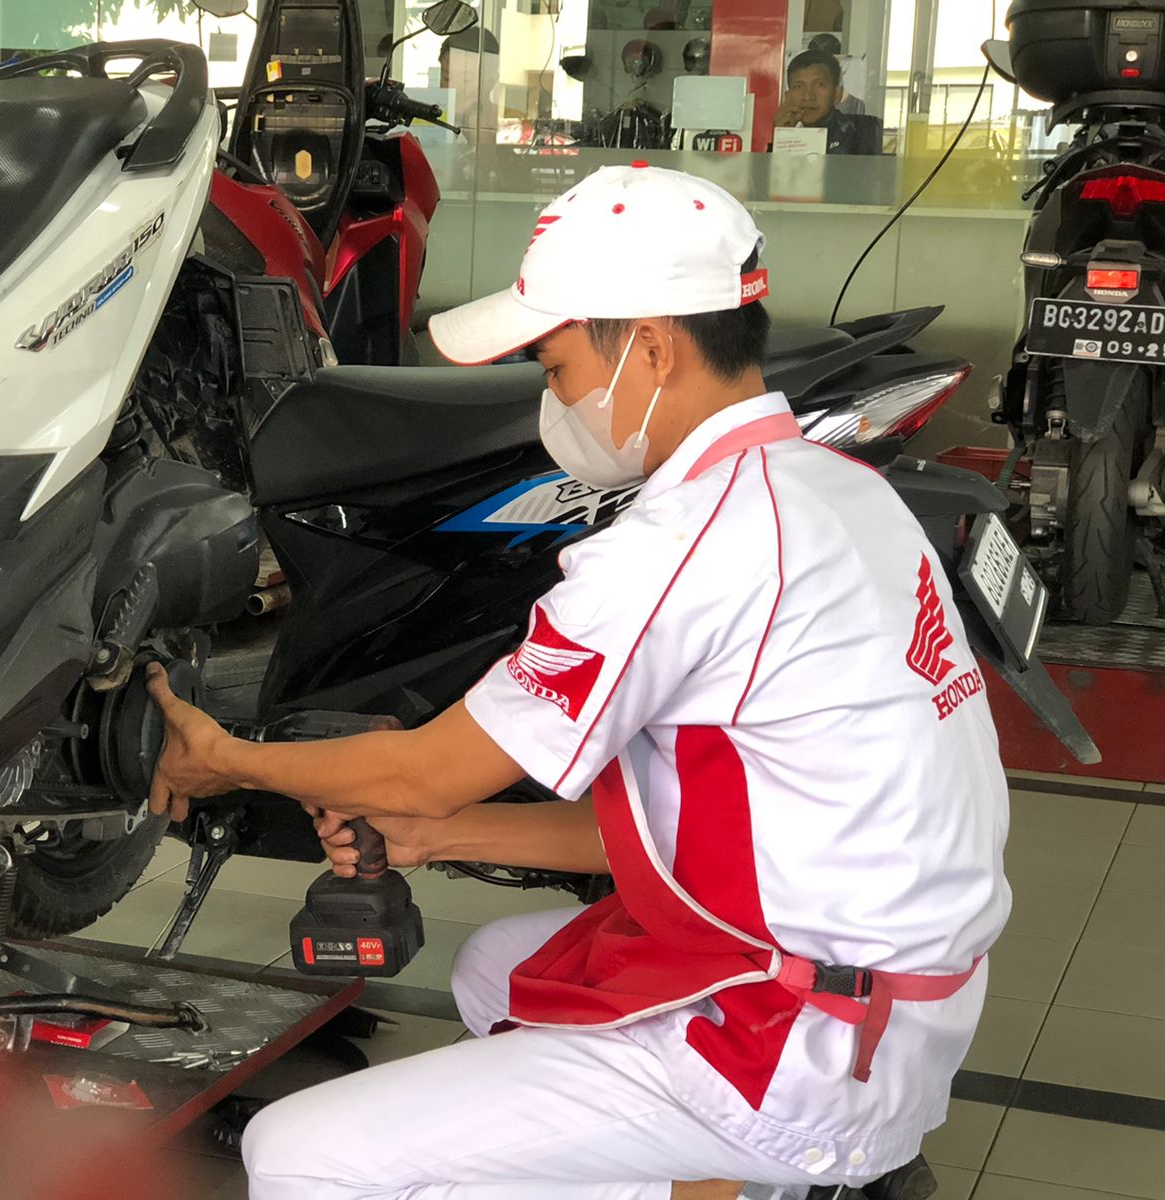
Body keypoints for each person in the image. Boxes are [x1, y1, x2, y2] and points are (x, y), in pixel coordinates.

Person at [145, 165, 1009, 1200]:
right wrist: (432, 839)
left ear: (651, 346)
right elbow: (694, 831)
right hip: (895, 1007)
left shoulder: (684, 542)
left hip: (795, 1045)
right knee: (500, 967)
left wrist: (225, 759)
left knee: (298, 1151)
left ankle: (761, 1171)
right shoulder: (839, 490)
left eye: (555, 367)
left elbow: (423, 771)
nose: (552, 398)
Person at [774, 49, 882, 154]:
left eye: (819, 85)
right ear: (788, 96)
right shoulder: (786, 132)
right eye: (798, 86)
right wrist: (782, 136)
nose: (808, 96)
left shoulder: (866, 132)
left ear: (837, 94)